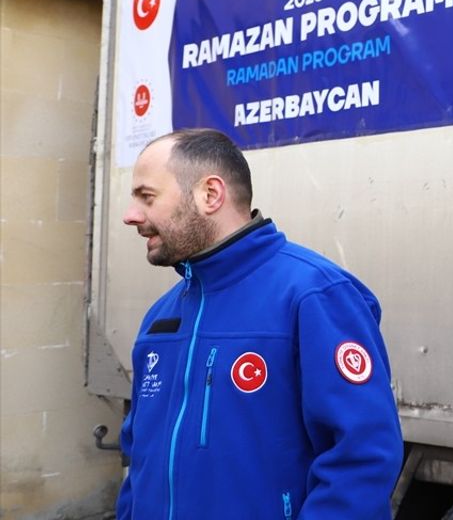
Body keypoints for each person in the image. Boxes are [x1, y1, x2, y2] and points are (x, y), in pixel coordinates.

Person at [117, 129, 402, 519]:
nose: (131, 215)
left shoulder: (313, 295)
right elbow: (140, 458)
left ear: (210, 195)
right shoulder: (161, 317)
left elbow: (361, 457)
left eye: (146, 197)